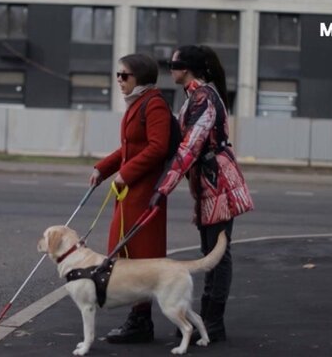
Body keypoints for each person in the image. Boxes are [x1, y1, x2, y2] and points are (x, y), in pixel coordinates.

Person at [154, 45, 254, 342]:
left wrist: (164, 188)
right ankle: (208, 320)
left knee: (218, 255)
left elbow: (191, 146)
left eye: (172, 65)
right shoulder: (195, 97)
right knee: (211, 253)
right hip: (209, 182)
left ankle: (213, 322)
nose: (169, 69)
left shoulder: (203, 98)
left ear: (184, 69)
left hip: (218, 183)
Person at [89, 53, 172, 344]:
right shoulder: (137, 103)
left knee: (141, 256)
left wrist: (126, 172)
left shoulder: (155, 104)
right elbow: (128, 148)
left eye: (125, 75)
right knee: (127, 253)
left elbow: (158, 147)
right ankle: (139, 318)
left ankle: (141, 320)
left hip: (144, 193)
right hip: (131, 193)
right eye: (118, 75)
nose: (119, 81)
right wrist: (103, 168)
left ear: (141, 77)